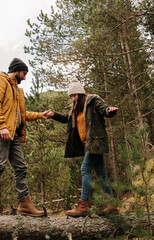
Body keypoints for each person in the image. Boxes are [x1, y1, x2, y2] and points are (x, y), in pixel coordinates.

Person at [0, 58, 51, 219]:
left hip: (12, 134)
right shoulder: (0, 80)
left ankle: (24, 204)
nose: (24, 77)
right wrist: (2, 125)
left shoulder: (16, 91)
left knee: (21, 167)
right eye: (24, 74)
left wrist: (40, 115)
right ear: (17, 70)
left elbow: (20, 115)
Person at [50, 79, 119, 217]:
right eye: (71, 96)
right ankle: (112, 204)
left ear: (80, 93)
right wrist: (53, 115)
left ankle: (83, 205)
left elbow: (104, 110)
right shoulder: (76, 109)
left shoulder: (93, 100)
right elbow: (66, 119)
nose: (73, 98)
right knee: (100, 173)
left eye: (75, 95)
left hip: (96, 142)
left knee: (85, 169)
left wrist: (110, 111)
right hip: (88, 145)